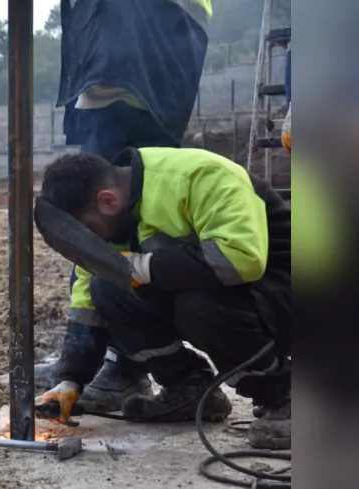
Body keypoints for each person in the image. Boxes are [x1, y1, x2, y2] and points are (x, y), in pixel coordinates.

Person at [36, 147, 291, 449]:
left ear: (107, 201)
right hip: (234, 294)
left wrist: (143, 267)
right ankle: (188, 385)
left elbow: (242, 258)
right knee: (108, 289)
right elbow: (86, 309)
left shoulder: (199, 177)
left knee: (198, 306)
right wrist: (71, 380)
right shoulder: (112, 217)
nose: (92, 243)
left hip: (287, 290)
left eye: (89, 231)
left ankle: (283, 397)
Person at [40, 0, 213, 412]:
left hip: (131, 71)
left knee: (106, 238)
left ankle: (124, 362)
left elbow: (98, 259)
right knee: (103, 243)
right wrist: (73, 371)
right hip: (120, 72)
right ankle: (118, 359)